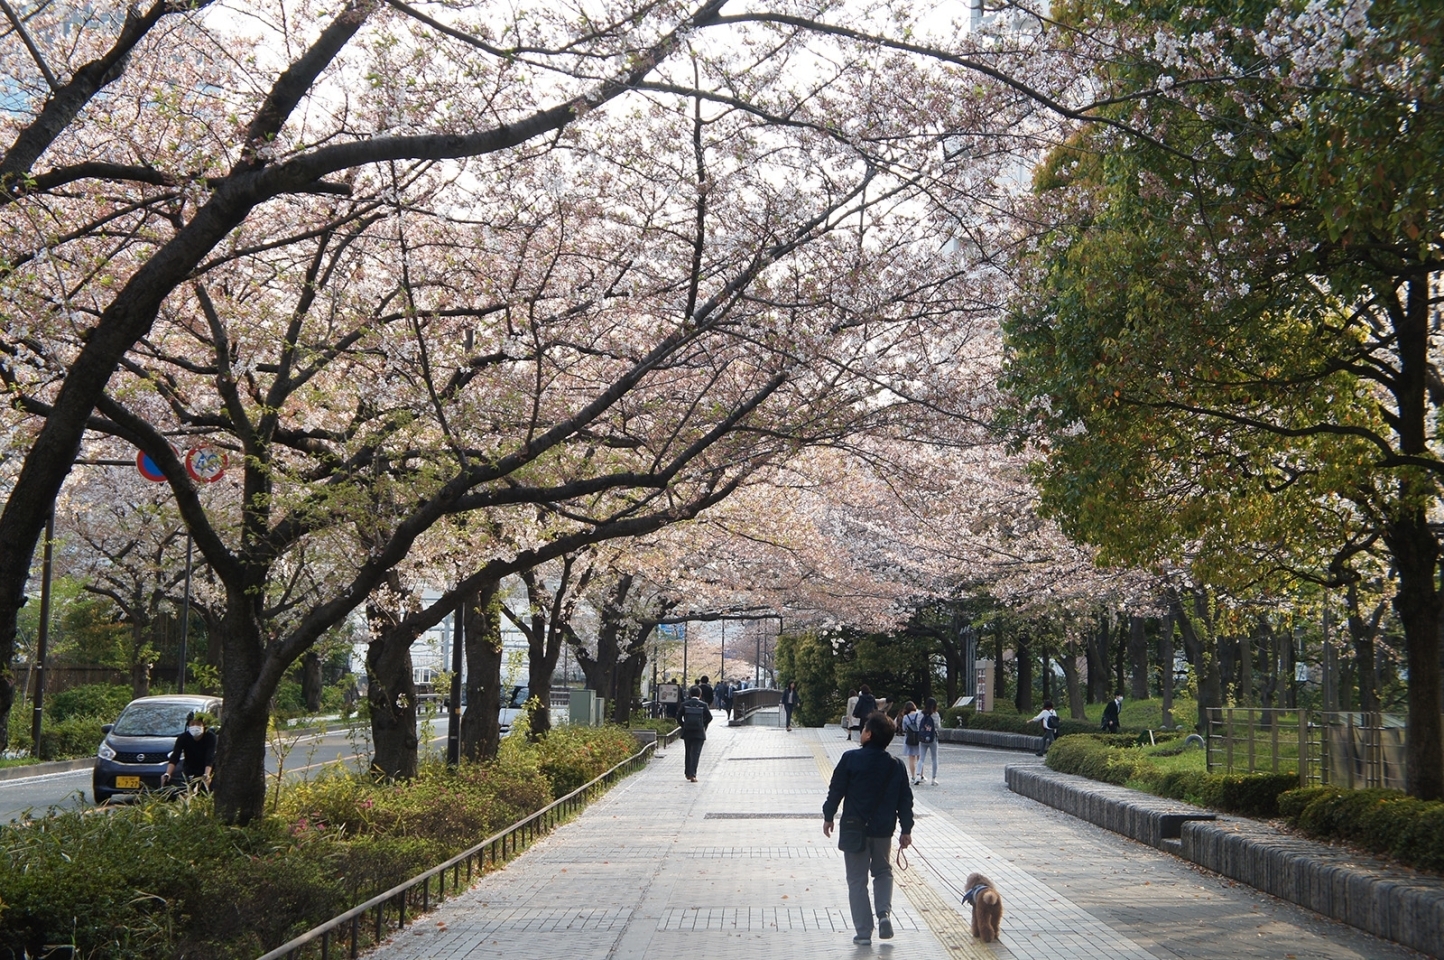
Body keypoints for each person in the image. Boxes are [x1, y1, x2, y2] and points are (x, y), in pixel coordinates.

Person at [822, 711, 914, 944]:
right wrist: (906, 829)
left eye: (863, 729)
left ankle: (864, 933)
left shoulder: (850, 759)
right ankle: (883, 913)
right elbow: (905, 799)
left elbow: (836, 790)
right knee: (883, 872)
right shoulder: (896, 766)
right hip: (883, 830)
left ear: (869, 735)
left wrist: (829, 815)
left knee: (857, 880)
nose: (861, 732)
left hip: (854, 829)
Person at [162, 711, 216, 792]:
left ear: (204, 726)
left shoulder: (210, 737)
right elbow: (175, 756)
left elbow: (210, 756)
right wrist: (168, 774)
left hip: (207, 770)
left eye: (198, 724)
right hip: (190, 770)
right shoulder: (183, 738)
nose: (195, 726)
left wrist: (207, 775)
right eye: (192, 724)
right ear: (188, 725)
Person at [678, 685, 713, 782]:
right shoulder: (704, 705)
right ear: (700, 695)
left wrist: (684, 725)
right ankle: (693, 774)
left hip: (688, 732)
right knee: (695, 753)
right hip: (699, 733)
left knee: (688, 752)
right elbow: (709, 717)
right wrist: (702, 725)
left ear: (689, 694)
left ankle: (687, 773)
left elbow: (678, 717)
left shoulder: (685, 704)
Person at [915, 697, 940, 785]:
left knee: (921, 758)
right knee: (934, 758)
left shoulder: (920, 714)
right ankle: (933, 778)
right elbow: (938, 726)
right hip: (933, 738)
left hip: (922, 739)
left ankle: (918, 775)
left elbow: (918, 725)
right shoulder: (935, 714)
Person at [897, 701, 921, 781]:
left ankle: (913, 776)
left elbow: (904, 728)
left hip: (909, 739)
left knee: (911, 758)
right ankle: (921, 775)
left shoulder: (906, 717)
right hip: (919, 738)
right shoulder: (919, 715)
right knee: (920, 758)